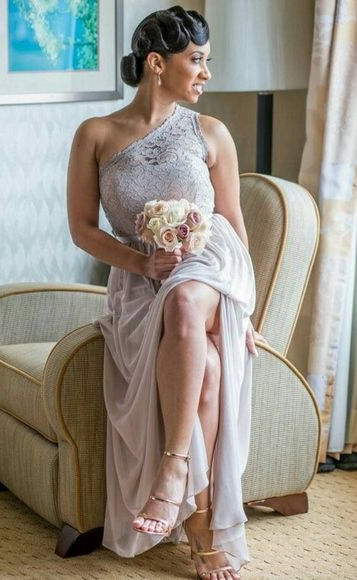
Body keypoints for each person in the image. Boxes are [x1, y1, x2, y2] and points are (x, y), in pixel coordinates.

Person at [66, 6, 265, 579]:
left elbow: (233, 223)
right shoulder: (95, 134)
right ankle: (203, 529)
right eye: (196, 60)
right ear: (157, 63)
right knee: (205, 367)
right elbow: (83, 229)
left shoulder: (212, 133)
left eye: (206, 61)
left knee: (183, 300)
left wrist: (244, 309)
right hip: (138, 283)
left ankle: (173, 469)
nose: (206, 73)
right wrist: (142, 261)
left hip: (210, 268)